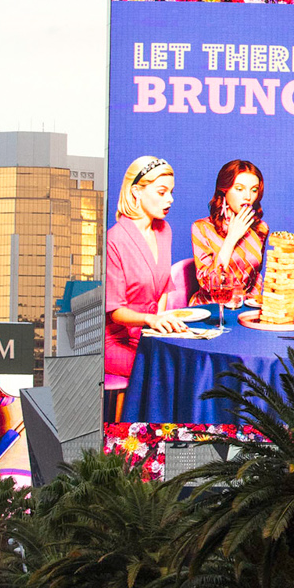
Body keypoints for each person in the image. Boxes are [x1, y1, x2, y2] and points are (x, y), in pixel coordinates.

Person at [102, 155, 189, 418]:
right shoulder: (114, 240)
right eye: (162, 192)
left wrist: (159, 328)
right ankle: (140, 445)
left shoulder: (164, 231)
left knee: (183, 364)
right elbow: (115, 312)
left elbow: (162, 288)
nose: (170, 199)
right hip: (114, 342)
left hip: (147, 335)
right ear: (136, 191)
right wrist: (151, 321)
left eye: (171, 192)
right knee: (164, 371)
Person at [190, 159, 268, 306]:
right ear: (224, 190)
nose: (248, 196)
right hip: (210, 309)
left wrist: (252, 309)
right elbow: (207, 284)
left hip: (243, 309)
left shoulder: (260, 229)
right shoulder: (202, 228)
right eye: (239, 188)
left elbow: (256, 277)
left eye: (254, 189)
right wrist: (232, 238)